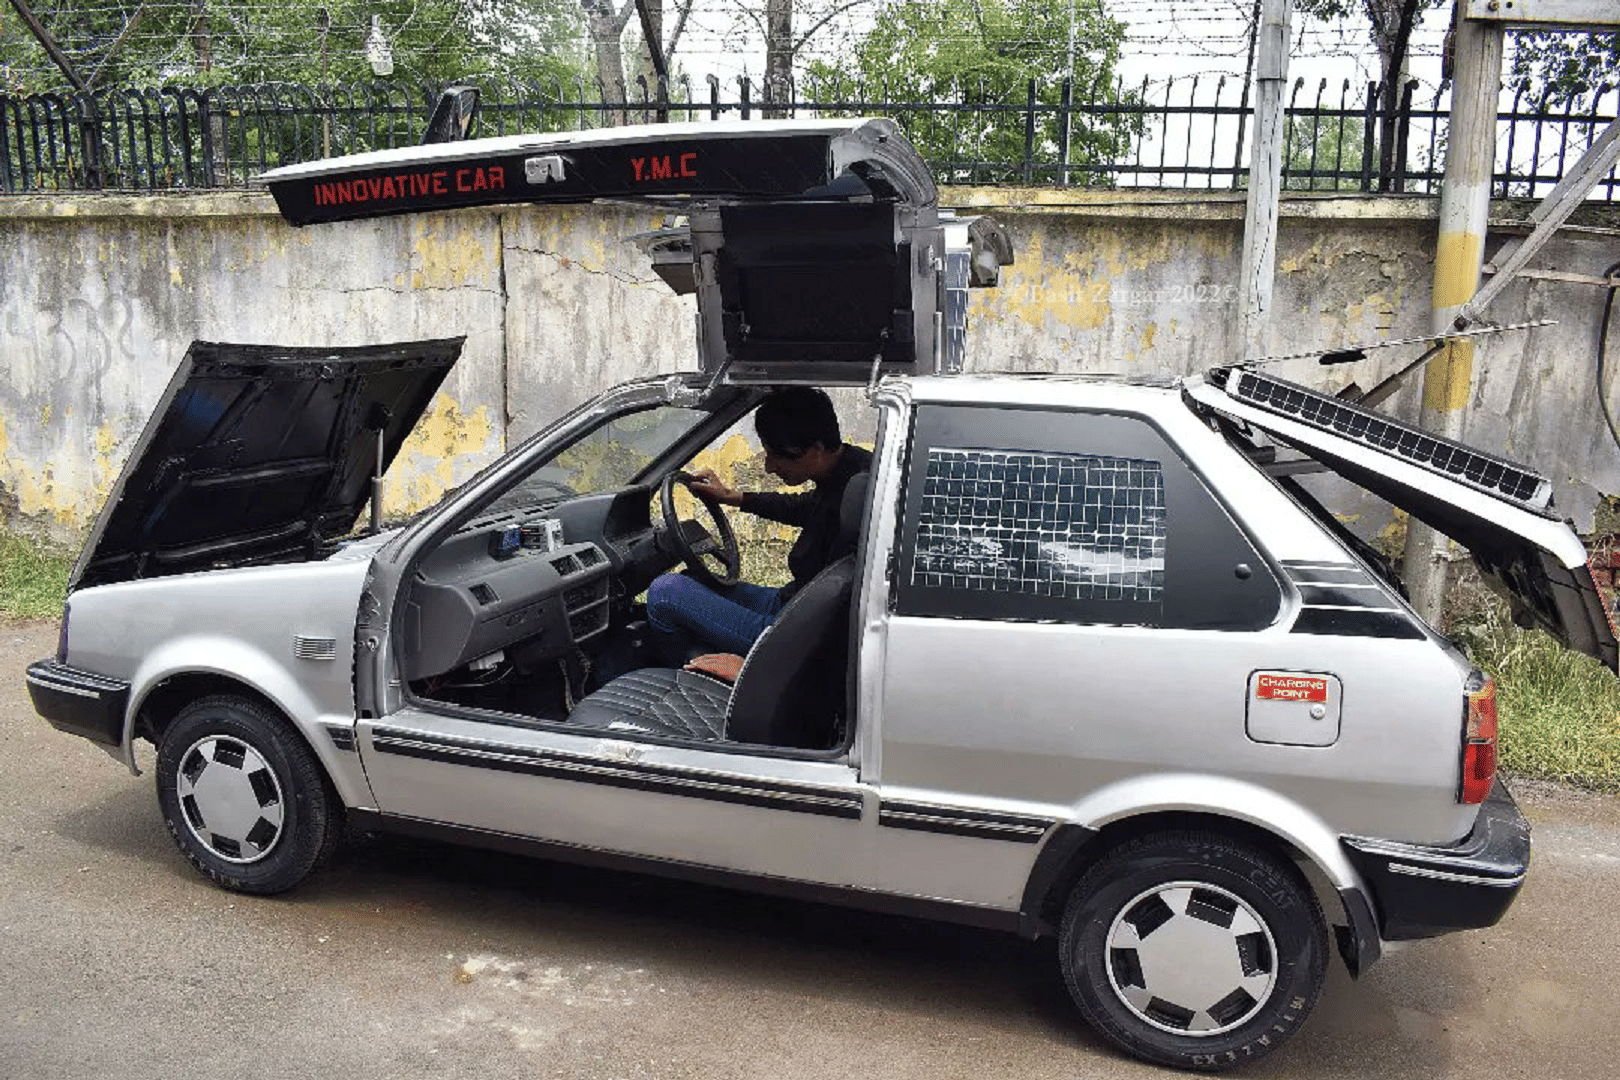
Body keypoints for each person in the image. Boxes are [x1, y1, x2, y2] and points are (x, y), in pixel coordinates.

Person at [646, 386, 871, 676]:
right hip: (792, 603)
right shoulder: (851, 469)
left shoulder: (857, 500)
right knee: (692, 580)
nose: (767, 467)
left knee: (665, 593)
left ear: (815, 450)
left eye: (776, 456)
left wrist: (756, 674)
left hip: (791, 634)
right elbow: (804, 506)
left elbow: (831, 623)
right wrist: (734, 497)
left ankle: (695, 685)